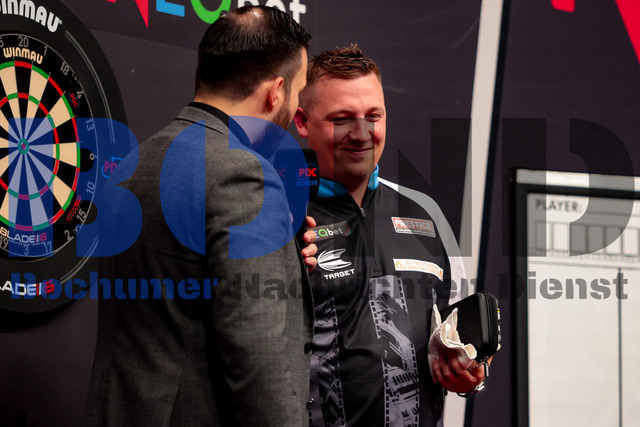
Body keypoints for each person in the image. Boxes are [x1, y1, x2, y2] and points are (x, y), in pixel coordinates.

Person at [84, 6, 317, 426]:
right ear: (276, 92)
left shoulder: (134, 164)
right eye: (299, 92)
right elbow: (259, 357)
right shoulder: (243, 174)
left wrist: (283, 263)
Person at [293, 45, 487, 426]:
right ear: (302, 122)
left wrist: (472, 368)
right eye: (342, 119)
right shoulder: (281, 217)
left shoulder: (426, 214)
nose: (361, 134)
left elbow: (461, 336)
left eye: (374, 116)